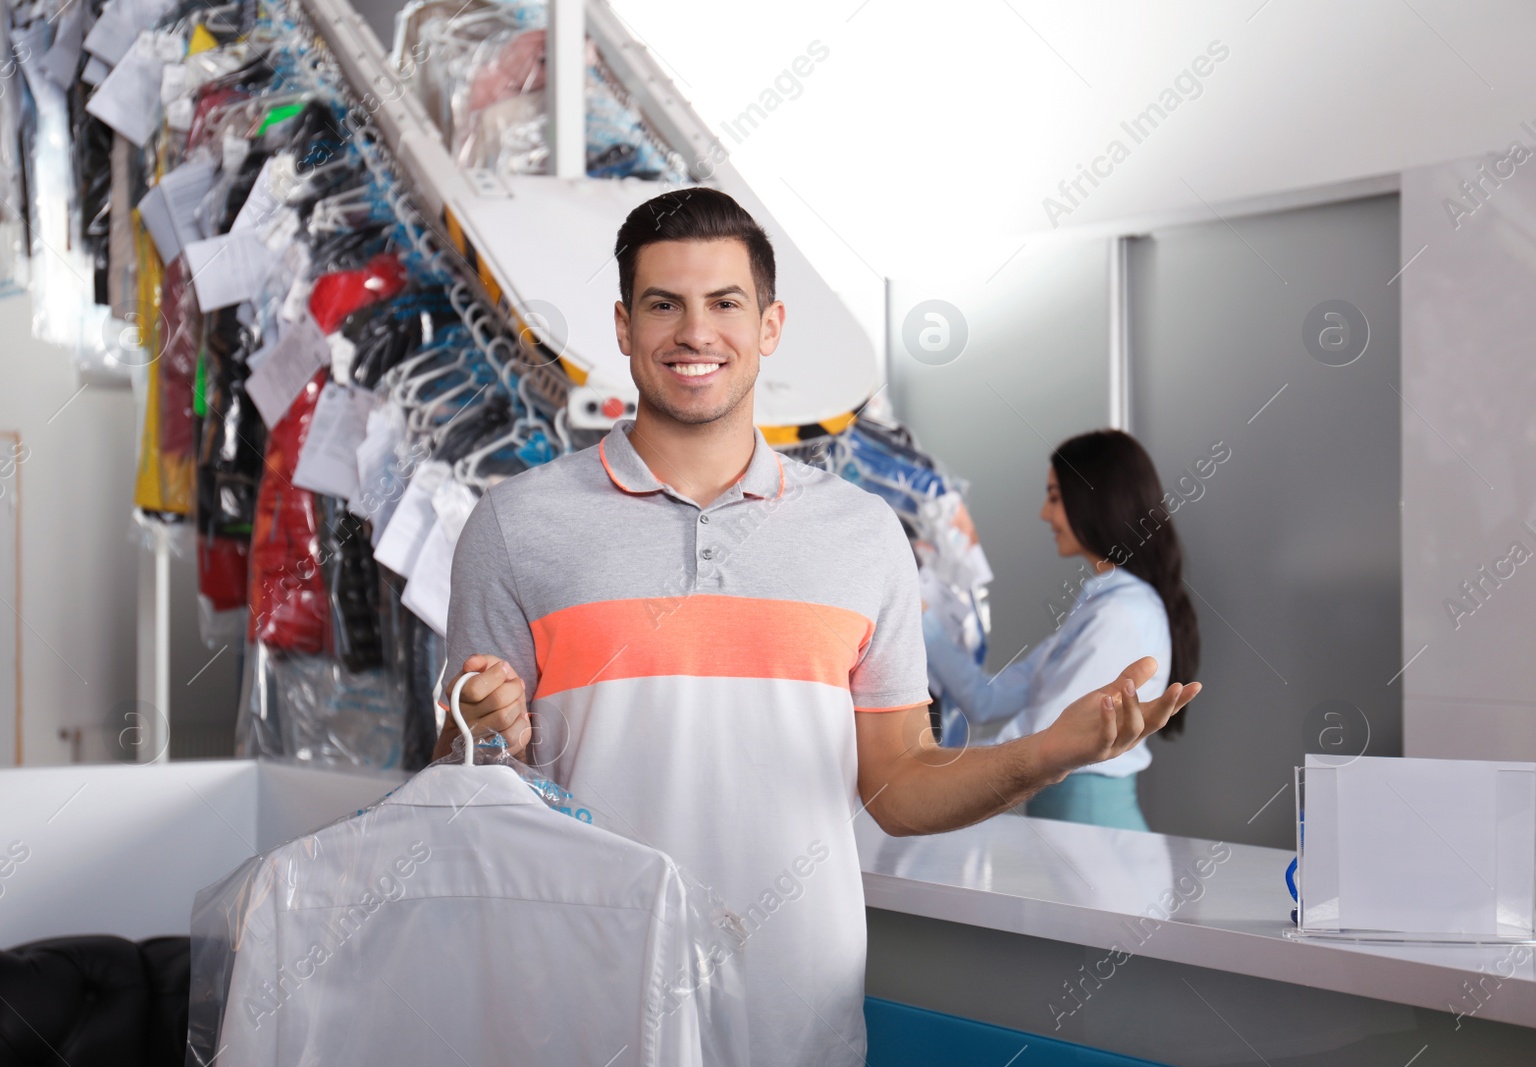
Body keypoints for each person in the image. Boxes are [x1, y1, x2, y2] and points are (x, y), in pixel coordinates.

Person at [433, 189, 1200, 1067]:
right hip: (581, 1018)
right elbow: (465, 789)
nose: (695, 332)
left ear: (769, 325)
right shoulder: (515, 525)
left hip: (797, 1022)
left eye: (725, 303)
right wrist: (487, 738)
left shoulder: (863, 532)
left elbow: (899, 781)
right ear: (621, 323)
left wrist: (1050, 750)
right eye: (663, 304)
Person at [924, 430, 1201, 832]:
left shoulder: (1122, 613)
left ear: (1097, 498)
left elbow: (1045, 735)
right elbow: (987, 699)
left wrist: (929, 776)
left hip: (1088, 824)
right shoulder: (1100, 605)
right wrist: (922, 617)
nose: (1044, 513)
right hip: (1071, 819)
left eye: (1054, 497)